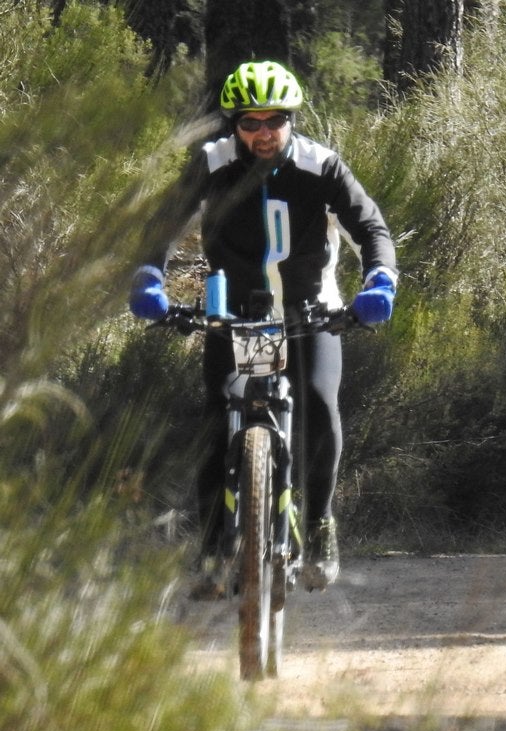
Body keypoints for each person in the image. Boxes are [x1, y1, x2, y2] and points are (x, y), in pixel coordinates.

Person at [128, 60, 398, 597]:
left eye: (274, 120)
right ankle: (210, 548)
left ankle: (320, 527)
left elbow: (370, 227)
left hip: (308, 312)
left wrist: (380, 283)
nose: (263, 133)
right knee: (213, 420)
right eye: (249, 122)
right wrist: (148, 278)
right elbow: (163, 224)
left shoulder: (321, 166)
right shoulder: (211, 161)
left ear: (291, 119)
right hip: (236, 315)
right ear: (234, 125)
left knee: (319, 403)